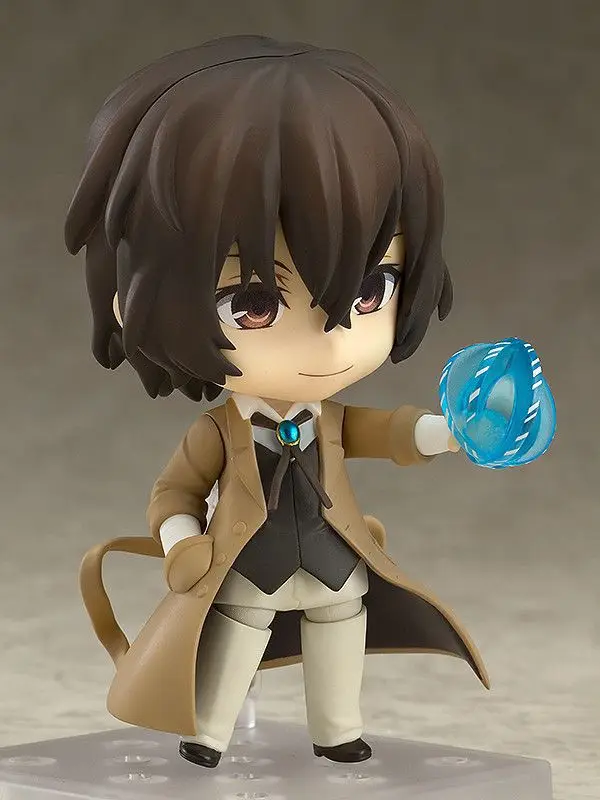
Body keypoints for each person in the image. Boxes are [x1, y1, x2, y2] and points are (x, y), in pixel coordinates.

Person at [66, 34, 488, 770]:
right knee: (235, 639)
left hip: (333, 561)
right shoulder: (220, 432)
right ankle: (208, 735)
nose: (330, 342)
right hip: (247, 568)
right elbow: (174, 495)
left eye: (371, 289)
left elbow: (388, 432)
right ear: (135, 301)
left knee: (341, 626)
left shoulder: (330, 421)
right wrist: (182, 544)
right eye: (254, 304)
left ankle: (338, 731)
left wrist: (448, 433)